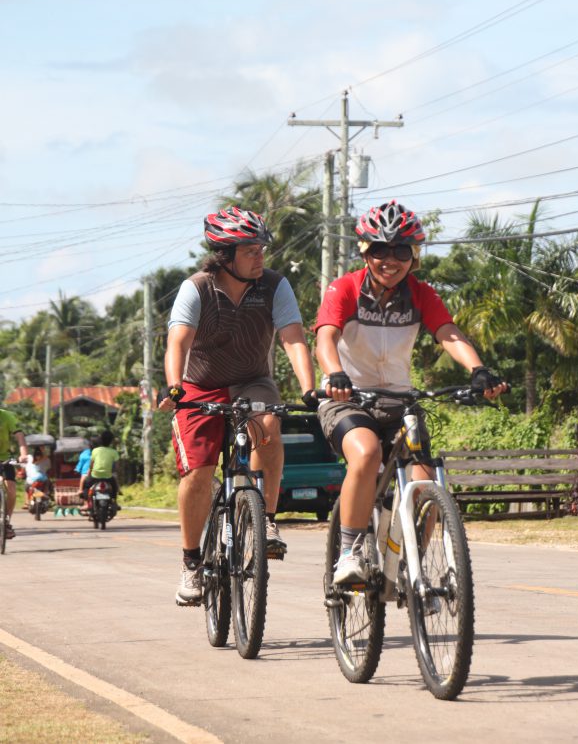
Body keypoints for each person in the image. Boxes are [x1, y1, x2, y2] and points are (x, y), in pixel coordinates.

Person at [314, 200, 508, 585]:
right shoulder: (345, 288)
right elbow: (325, 337)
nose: (391, 260)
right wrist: (334, 373)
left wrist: (478, 369)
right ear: (365, 251)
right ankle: (349, 552)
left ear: (413, 255)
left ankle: (407, 562)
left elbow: (448, 333)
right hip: (347, 399)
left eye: (401, 250)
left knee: (427, 483)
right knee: (366, 453)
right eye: (380, 250)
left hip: (400, 402)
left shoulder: (421, 294)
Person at [158, 206, 316, 606]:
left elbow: (294, 338)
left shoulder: (275, 286)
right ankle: (191, 562)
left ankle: (266, 520)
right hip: (198, 385)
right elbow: (178, 342)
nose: (260, 257)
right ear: (225, 255)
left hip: (252, 380)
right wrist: (175, 387)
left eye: (262, 248)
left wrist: (310, 388)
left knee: (270, 424)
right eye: (250, 250)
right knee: (199, 472)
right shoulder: (196, 288)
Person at [0, 407, 28, 539]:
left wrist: (23, 454)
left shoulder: (6, 416)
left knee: (11, 489)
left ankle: (6, 523)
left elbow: (19, 436)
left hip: (4, 458)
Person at [79, 430, 120, 502]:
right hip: (108, 476)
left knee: (86, 485)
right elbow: (117, 467)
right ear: (111, 441)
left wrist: (89, 474)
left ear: (101, 440)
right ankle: (114, 501)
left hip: (95, 476)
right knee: (114, 488)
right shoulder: (114, 452)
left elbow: (91, 466)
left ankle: (86, 500)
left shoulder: (95, 451)